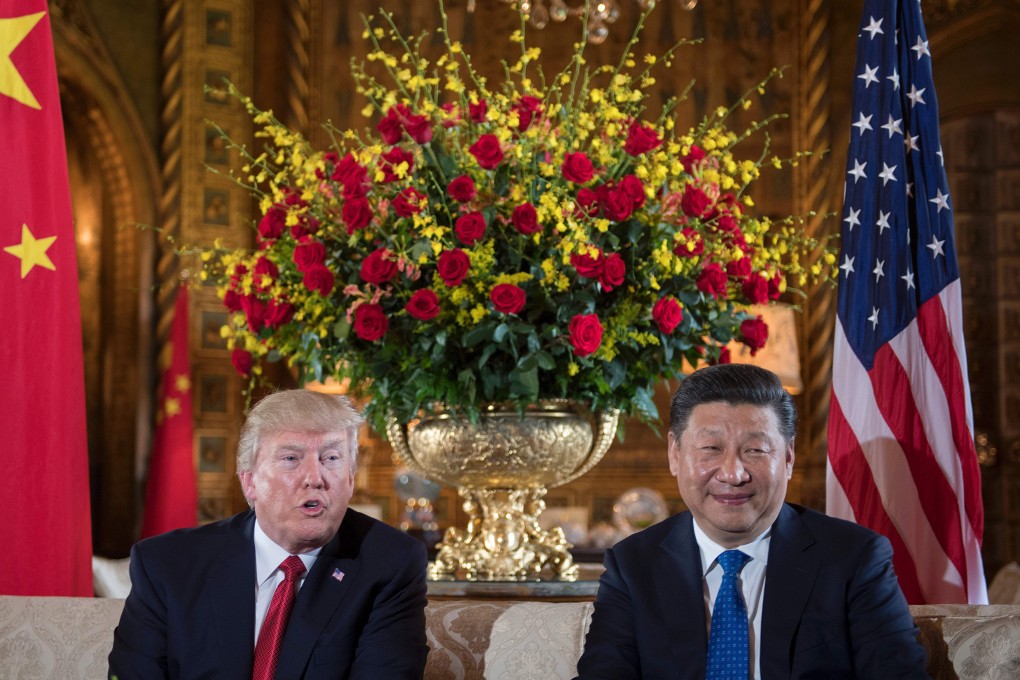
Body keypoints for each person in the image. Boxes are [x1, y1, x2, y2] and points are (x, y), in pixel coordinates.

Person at [575, 364, 927, 679]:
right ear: (675, 454)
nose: (732, 474)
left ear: (788, 458)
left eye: (755, 450)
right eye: (711, 449)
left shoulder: (854, 559)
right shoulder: (633, 564)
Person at [109, 390, 429, 679]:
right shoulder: (167, 566)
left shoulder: (390, 564)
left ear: (350, 477)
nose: (315, 478)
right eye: (291, 459)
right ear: (250, 481)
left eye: (331, 458)